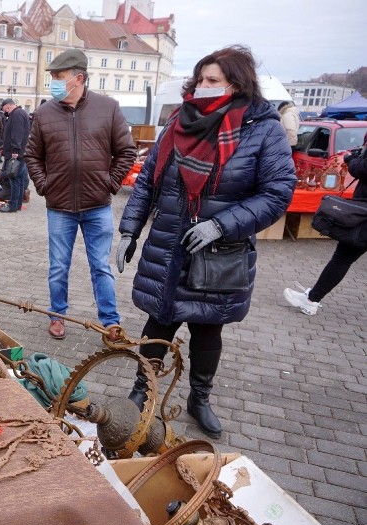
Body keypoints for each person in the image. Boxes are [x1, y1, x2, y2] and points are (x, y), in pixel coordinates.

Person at [115, 45, 296, 439]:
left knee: (207, 329)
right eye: (200, 78)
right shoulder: (179, 120)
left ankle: (200, 399)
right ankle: (141, 390)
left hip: (218, 252)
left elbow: (278, 191)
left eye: (212, 80)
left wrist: (222, 225)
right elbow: (149, 180)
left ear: (237, 83)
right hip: (168, 243)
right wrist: (130, 228)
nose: (203, 86)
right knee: (159, 321)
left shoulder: (262, 128)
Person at [25, 48, 136, 340]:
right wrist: (44, 185)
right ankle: (57, 315)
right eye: (52, 78)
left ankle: (110, 321)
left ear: (78, 78)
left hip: (97, 205)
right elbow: (32, 155)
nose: (54, 83)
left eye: (58, 77)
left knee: (101, 266)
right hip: (59, 206)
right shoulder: (45, 112)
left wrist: (109, 184)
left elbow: (126, 152)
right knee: (59, 266)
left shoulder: (108, 108)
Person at [284, 134, 367, 316]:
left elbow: (362, 168)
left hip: (363, 215)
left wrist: (353, 159)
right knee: (343, 258)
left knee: (342, 258)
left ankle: (312, 300)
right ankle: (313, 297)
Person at [0, 98, 30, 214]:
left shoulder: (16, 114)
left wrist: (14, 151)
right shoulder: (20, 113)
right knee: (19, 179)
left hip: (15, 153)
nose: (5, 112)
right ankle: (17, 204)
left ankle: (13, 205)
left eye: (4, 109)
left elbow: (17, 134)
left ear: (7, 107)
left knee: (14, 178)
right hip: (17, 152)